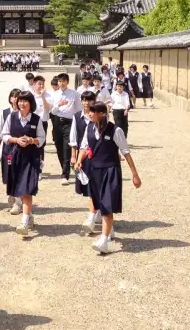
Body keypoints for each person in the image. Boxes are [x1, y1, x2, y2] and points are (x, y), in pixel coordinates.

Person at [75, 102, 142, 254]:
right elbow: (85, 147)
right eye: (89, 112)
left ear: (102, 113)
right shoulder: (89, 128)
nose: (89, 114)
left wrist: (135, 175)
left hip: (111, 171)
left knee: (107, 204)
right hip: (94, 171)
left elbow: (125, 152)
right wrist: (79, 160)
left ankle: (103, 240)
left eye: (93, 112)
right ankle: (109, 230)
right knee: (98, 201)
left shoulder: (115, 130)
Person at [0, 91, 45, 236]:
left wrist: (32, 140)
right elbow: (4, 134)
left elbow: (42, 138)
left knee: (27, 189)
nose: (21, 104)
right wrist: (16, 140)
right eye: (20, 101)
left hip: (31, 158)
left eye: (25, 101)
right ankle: (29, 216)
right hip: (16, 157)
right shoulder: (11, 117)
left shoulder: (37, 119)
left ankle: (24, 221)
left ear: (30, 104)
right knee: (19, 187)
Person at [69, 91, 99, 233]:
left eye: (89, 100)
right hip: (84, 156)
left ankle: (93, 215)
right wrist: (74, 156)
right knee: (88, 185)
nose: (86, 103)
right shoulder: (77, 117)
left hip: (98, 155)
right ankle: (96, 211)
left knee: (95, 185)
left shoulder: (99, 116)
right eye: (84, 100)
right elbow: (74, 138)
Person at [0, 89, 20, 213]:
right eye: (13, 97)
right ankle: (12, 194)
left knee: (18, 173)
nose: (15, 99)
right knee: (9, 171)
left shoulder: (23, 113)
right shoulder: (5, 113)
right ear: (10, 99)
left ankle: (18, 201)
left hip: (20, 147)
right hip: (8, 149)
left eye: (17, 97)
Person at [50, 74, 78, 185]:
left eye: (63, 81)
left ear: (67, 82)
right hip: (57, 121)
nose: (61, 83)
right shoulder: (54, 94)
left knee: (67, 146)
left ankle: (65, 175)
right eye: (60, 81)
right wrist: (58, 105)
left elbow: (78, 108)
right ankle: (65, 167)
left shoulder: (74, 94)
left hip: (69, 122)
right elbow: (52, 111)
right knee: (58, 146)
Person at [31, 76, 52, 172]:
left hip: (43, 123)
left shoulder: (48, 96)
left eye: (43, 83)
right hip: (31, 123)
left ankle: (39, 169)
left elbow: (47, 109)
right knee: (30, 145)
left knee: (40, 146)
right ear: (34, 84)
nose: (41, 85)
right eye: (39, 84)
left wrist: (43, 97)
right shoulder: (30, 96)